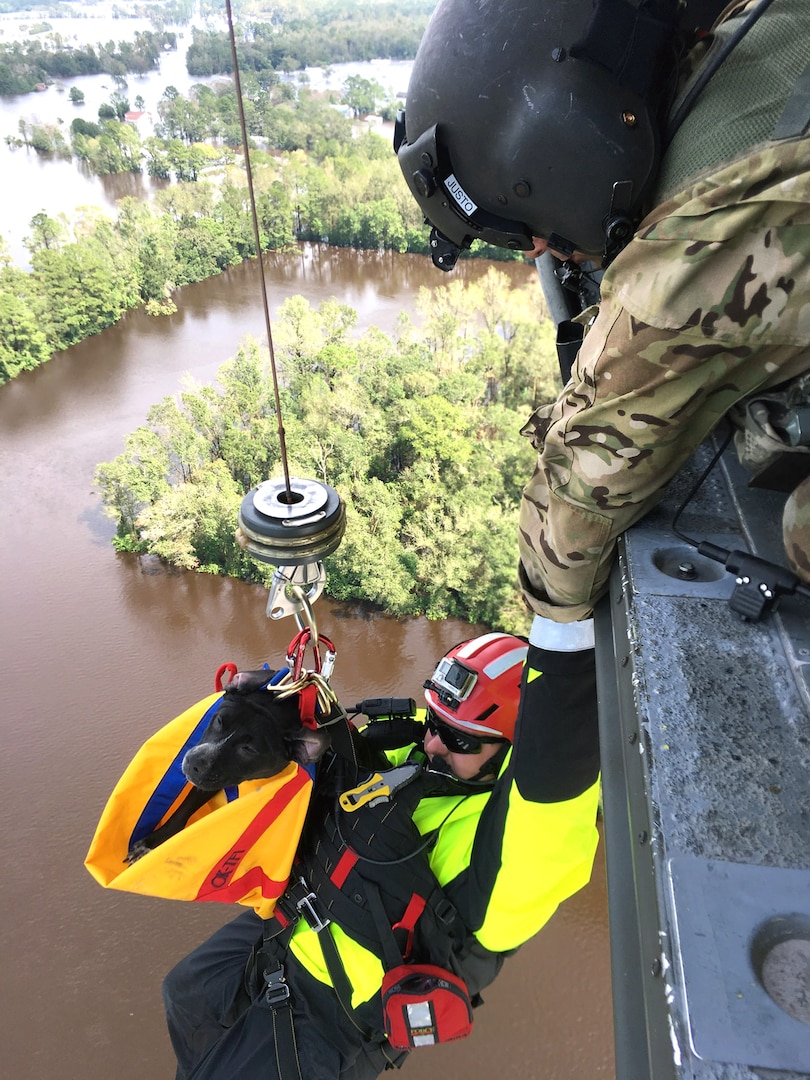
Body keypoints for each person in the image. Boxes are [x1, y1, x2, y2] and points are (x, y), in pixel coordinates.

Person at [395, 0, 810, 726]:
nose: (542, 253)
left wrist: (553, 624)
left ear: (570, 150)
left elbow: (581, 490)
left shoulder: (692, 247)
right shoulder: (749, 32)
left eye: (535, 234)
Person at [162, 632, 601, 1079]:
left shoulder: (513, 853)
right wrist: (274, 694)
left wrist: (565, 628)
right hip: (285, 930)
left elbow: (556, 770)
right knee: (185, 994)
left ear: (512, 752)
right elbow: (335, 740)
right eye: (435, 722)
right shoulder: (415, 750)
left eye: (460, 740)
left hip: (334, 1015)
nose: (432, 744)